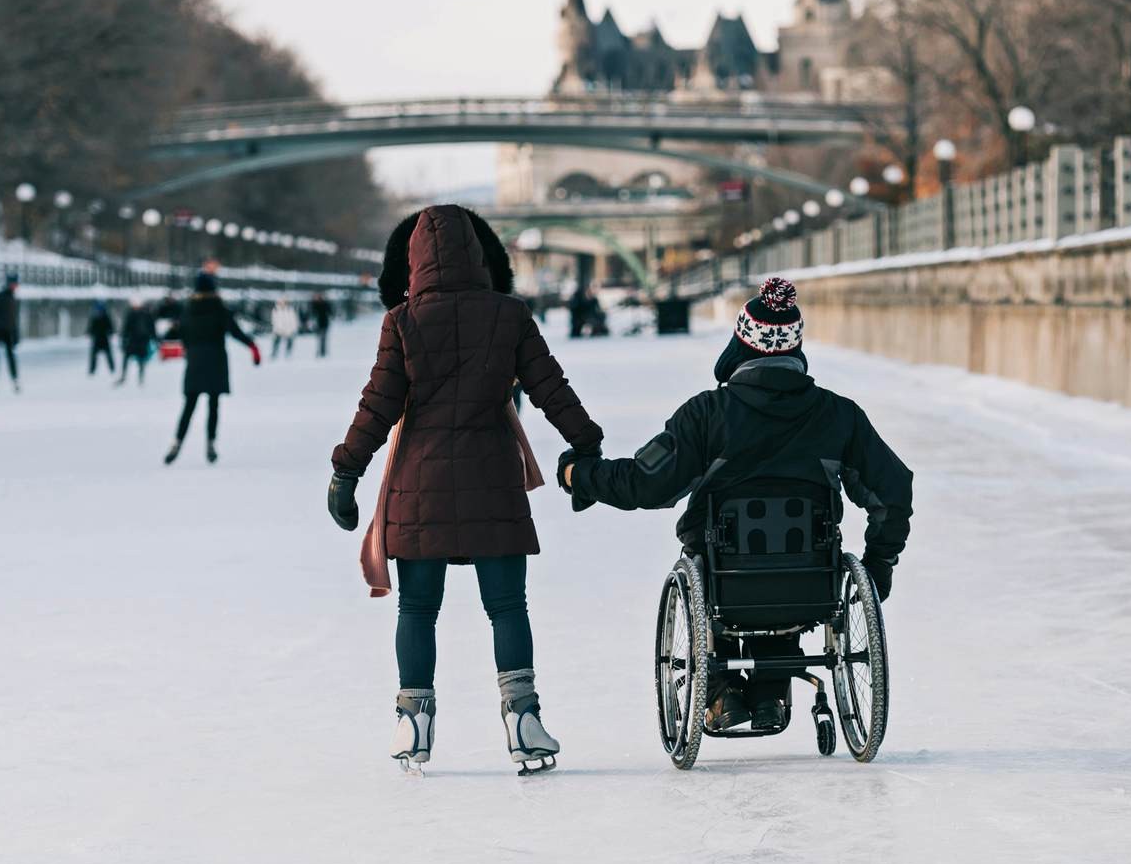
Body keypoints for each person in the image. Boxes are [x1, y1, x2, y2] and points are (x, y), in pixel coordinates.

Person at [561, 277, 913, 732]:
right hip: (810, 584)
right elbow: (893, 490)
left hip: (725, 583)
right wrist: (878, 564)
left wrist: (580, 477)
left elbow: (645, 484)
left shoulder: (707, 415)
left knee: (718, 566)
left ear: (741, 345)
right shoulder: (838, 415)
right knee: (788, 571)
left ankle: (721, 694)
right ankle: (770, 691)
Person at [328, 205, 603, 774]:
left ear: (413, 262)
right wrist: (586, 444)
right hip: (492, 484)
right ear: (481, 256)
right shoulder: (509, 315)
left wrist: (346, 470)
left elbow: (377, 405)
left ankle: (413, 720)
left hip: (418, 486)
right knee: (507, 607)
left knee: (417, 608)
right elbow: (551, 388)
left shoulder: (403, 322)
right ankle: (524, 719)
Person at [163, 261, 260, 465]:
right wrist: (252, 346)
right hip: (216, 359)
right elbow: (234, 331)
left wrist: (187, 347)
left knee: (189, 405)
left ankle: (177, 442)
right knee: (213, 404)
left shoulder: (188, 309)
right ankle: (211, 443)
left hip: (196, 361)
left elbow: (181, 334)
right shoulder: (219, 308)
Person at [0, 273, 20, 394]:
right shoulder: (0, 297)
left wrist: (16, 333)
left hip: (7, 331)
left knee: (10, 356)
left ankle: (15, 379)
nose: (15, 286)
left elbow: (14, 318)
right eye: (14, 283)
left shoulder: (13, 298)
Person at [116, 298, 157, 387]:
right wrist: (124, 339)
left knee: (141, 360)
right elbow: (126, 327)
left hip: (142, 340)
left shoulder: (146, 314)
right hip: (132, 340)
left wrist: (154, 338)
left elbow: (151, 327)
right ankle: (123, 376)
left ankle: (141, 378)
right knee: (127, 358)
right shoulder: (130, 314)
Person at [86, 299, 116, 377]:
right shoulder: (94, 318)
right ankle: (92, 370)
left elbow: (111, 327)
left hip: (104, 339)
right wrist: (89, 332)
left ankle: (112, 369)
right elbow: (91, 328)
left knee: (108, 355)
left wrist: (110, 332)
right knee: (94, 356)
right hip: (97, 339)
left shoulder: (105, 317)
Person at [309, 291, 332, 358]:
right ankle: (320, 351)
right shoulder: (314, 304)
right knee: (319, 338)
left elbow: (330, 312)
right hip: (318, 324)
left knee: (323, 338)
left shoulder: (325, 304)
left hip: (324, 323)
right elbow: (312, 312)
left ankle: (323, 352)